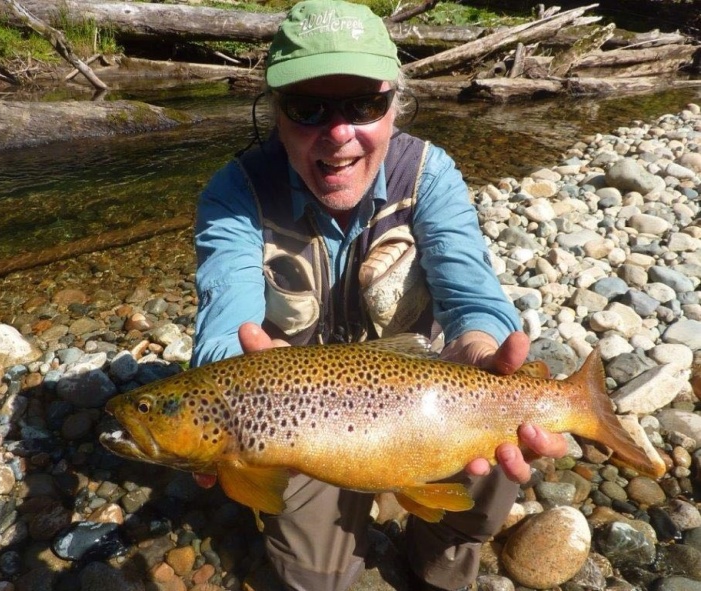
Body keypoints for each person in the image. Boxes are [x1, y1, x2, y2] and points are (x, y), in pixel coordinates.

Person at [191, 1, 568, 589]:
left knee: (491, 474)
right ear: (275, 113)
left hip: (429, 395)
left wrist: (477, 347)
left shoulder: (430, 174)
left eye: (363, 105)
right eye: (308, 107)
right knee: (314, 576)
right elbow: (223, 323)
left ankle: (438, 567)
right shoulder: (235, 194)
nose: (338, 133)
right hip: (302, 421)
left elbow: (473, 295)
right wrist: (238, 399)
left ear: (395, 105)